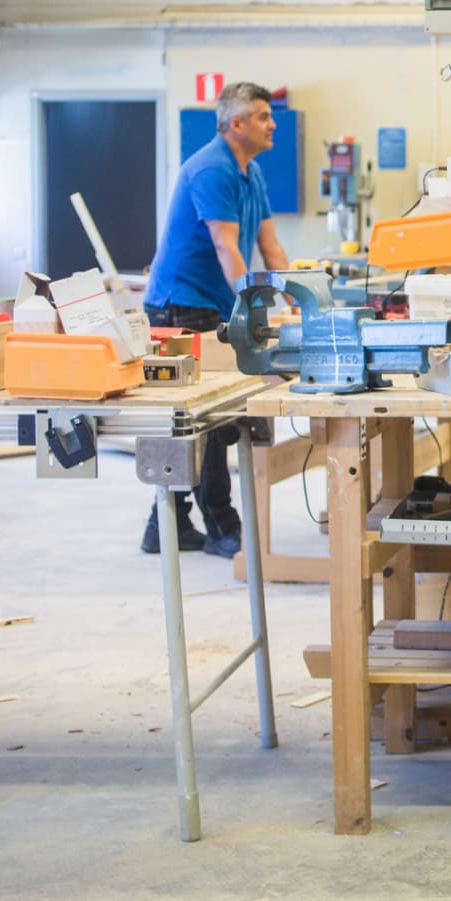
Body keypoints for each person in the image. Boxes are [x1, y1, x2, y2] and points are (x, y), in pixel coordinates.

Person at [138, 81, 291, 558]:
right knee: (208, 419)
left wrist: (299, 297)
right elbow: (227, 249)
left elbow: (269, 246)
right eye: (264, 116)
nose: (273, 124)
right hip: (179, 306)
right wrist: (258, 311)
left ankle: (166, 526)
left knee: (204, 419)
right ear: (236, 123)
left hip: (211, 302)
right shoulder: (210, 169)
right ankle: (223, 528)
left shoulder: (252, 173)